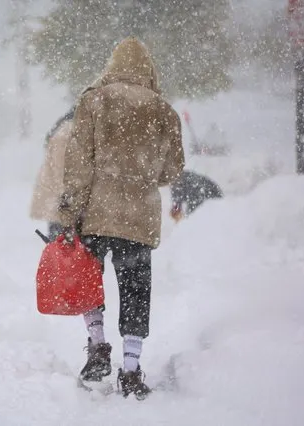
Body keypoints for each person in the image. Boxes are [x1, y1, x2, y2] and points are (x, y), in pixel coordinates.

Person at [57, 37, 184, 399]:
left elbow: (79, 164)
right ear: (149, 69)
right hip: (139, 219)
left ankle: (97, 348)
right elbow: (171, 171)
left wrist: (69, 212)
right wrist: (141, 172)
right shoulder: (163, 110)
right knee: (135, 290)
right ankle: (131, 370)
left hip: (97, 212)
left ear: (112, 65)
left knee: (88, 283)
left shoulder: (94, 100)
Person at [30, 106, 75, 241]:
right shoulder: (68, 132)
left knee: (60, 245)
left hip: (57, 198)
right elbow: (62, 172)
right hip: (62, 199)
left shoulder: (64, 127)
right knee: (64, 246)